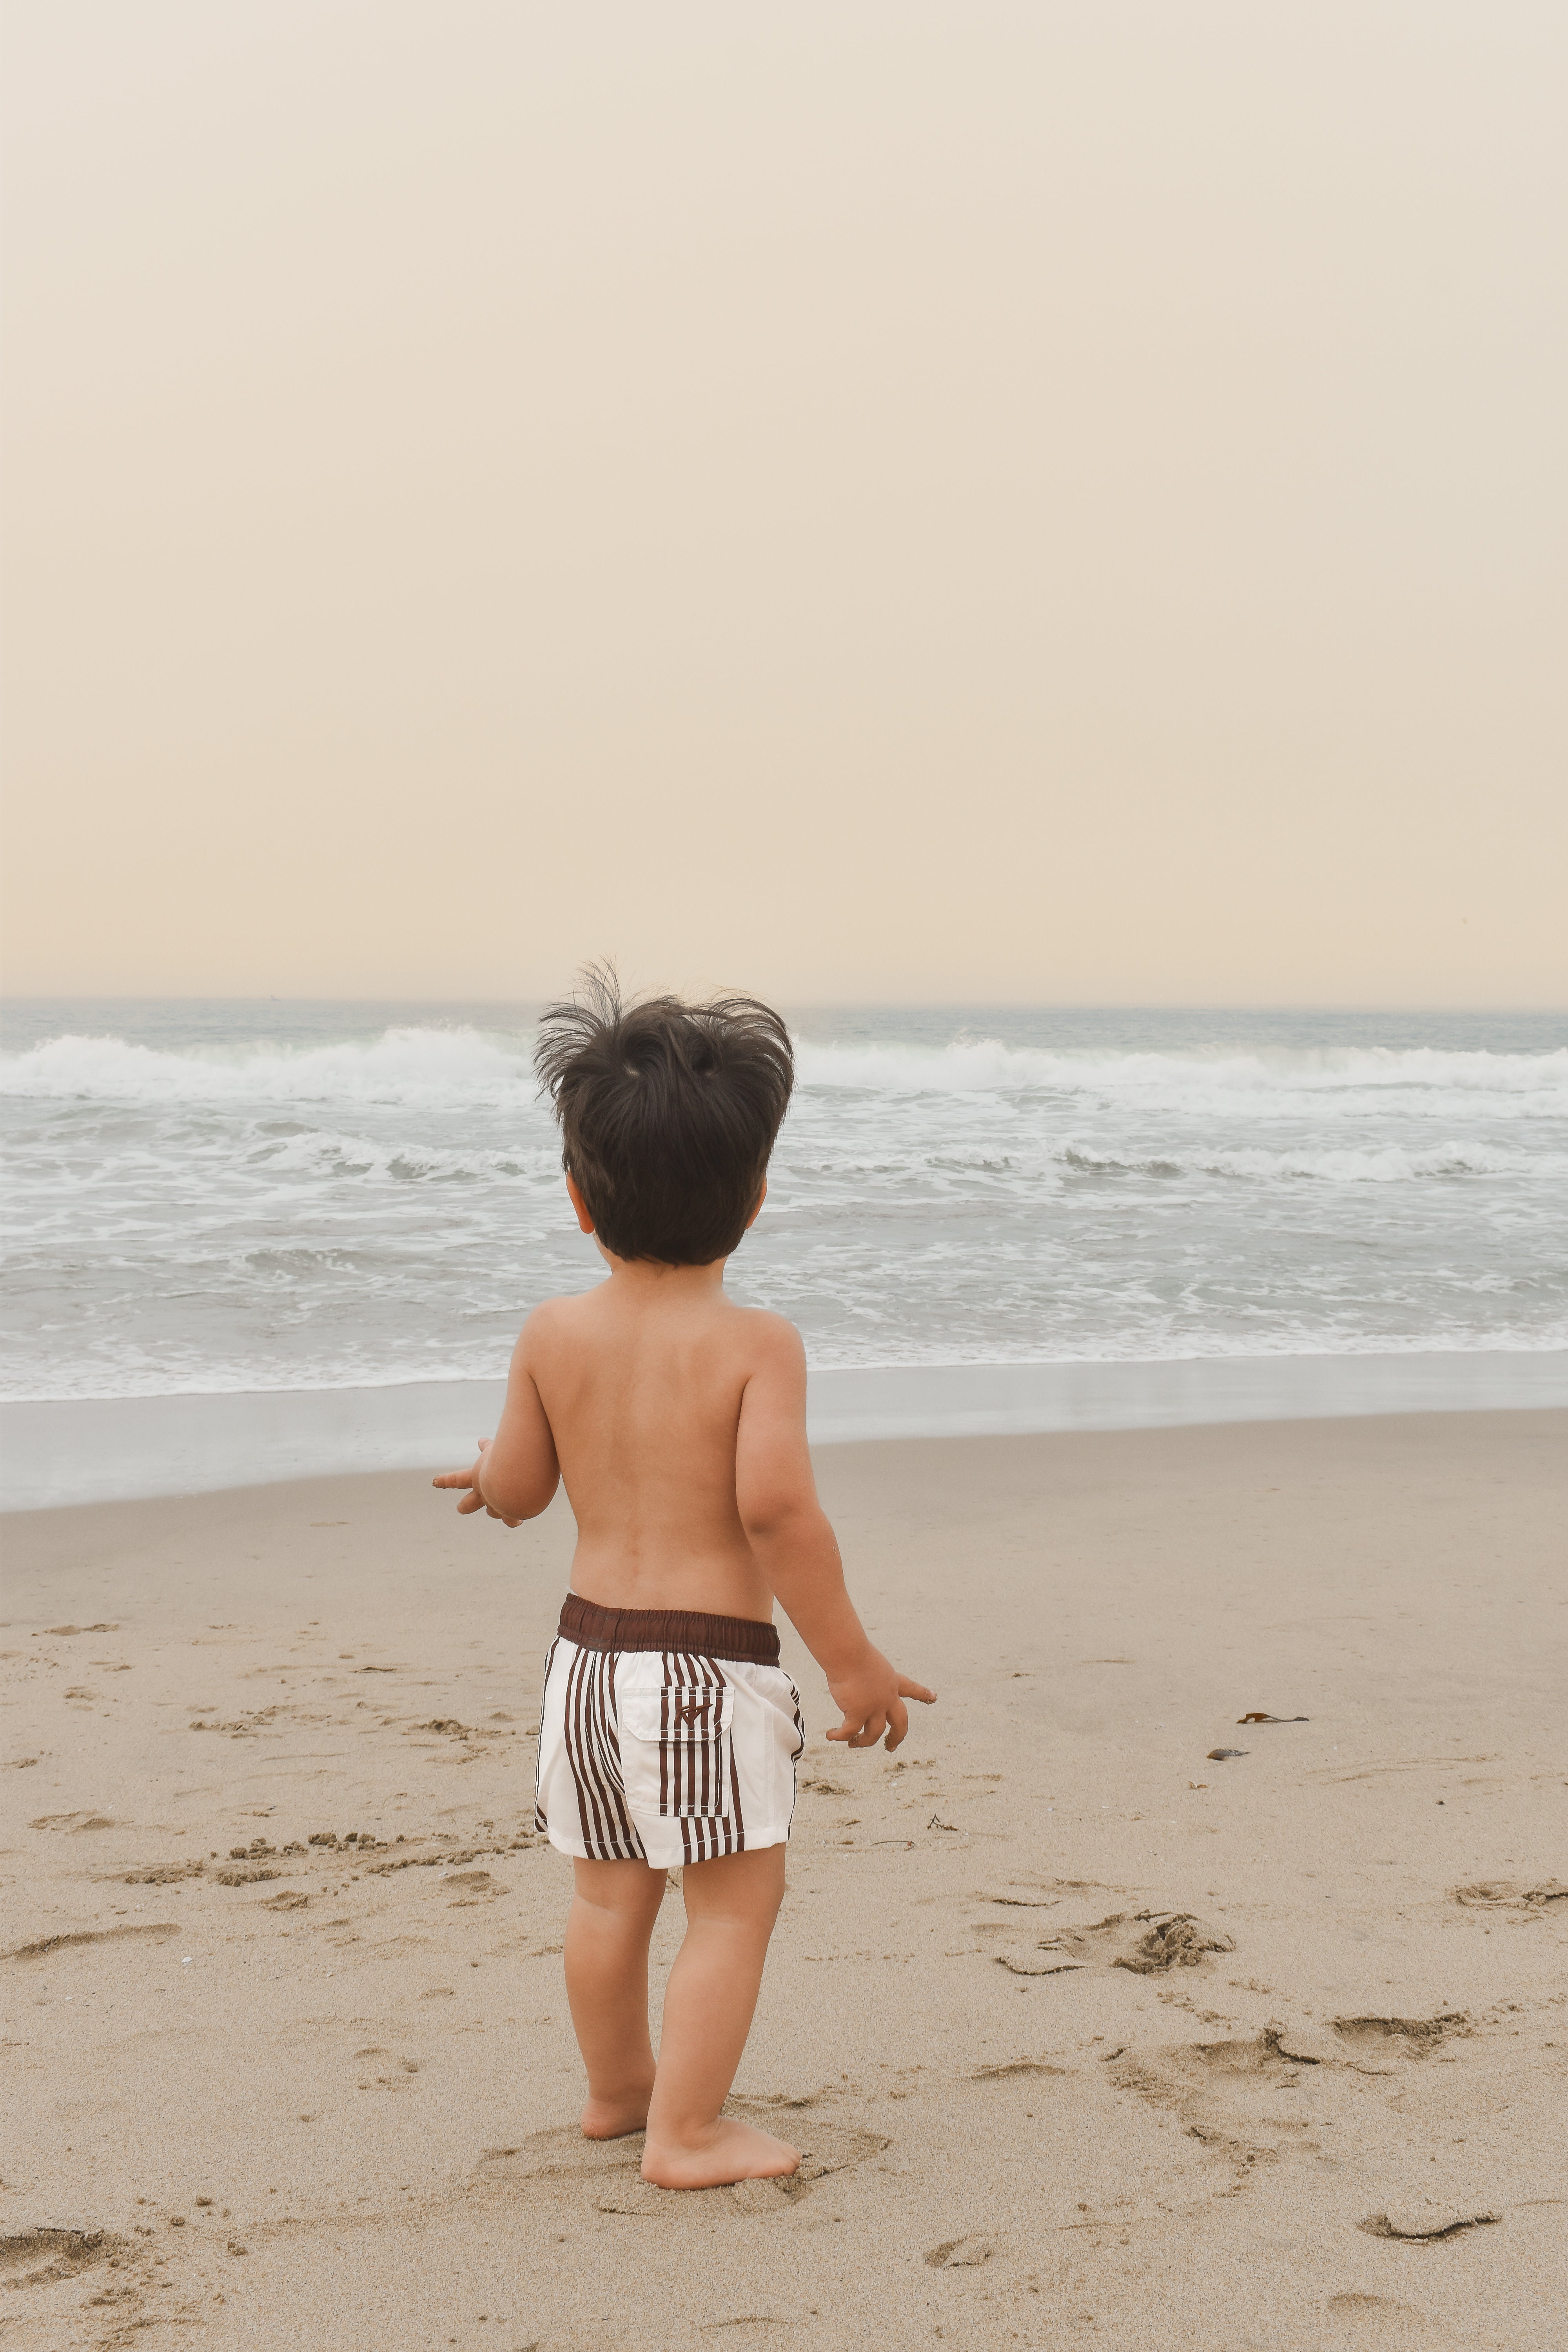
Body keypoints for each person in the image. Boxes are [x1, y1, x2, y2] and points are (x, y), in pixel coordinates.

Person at [434, 969, 935, 2189]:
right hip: (704, 1672)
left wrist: (488, 1480)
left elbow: (521, 1487)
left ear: (577, 1198)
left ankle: (619, 2094)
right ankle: (689, 2133)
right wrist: (853, 1661)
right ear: (754, 1199)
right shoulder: (758, 1346)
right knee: (731, 1907)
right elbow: (774, 1511)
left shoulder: (552, 1334)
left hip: (584, 1665)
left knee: (609, 1903)